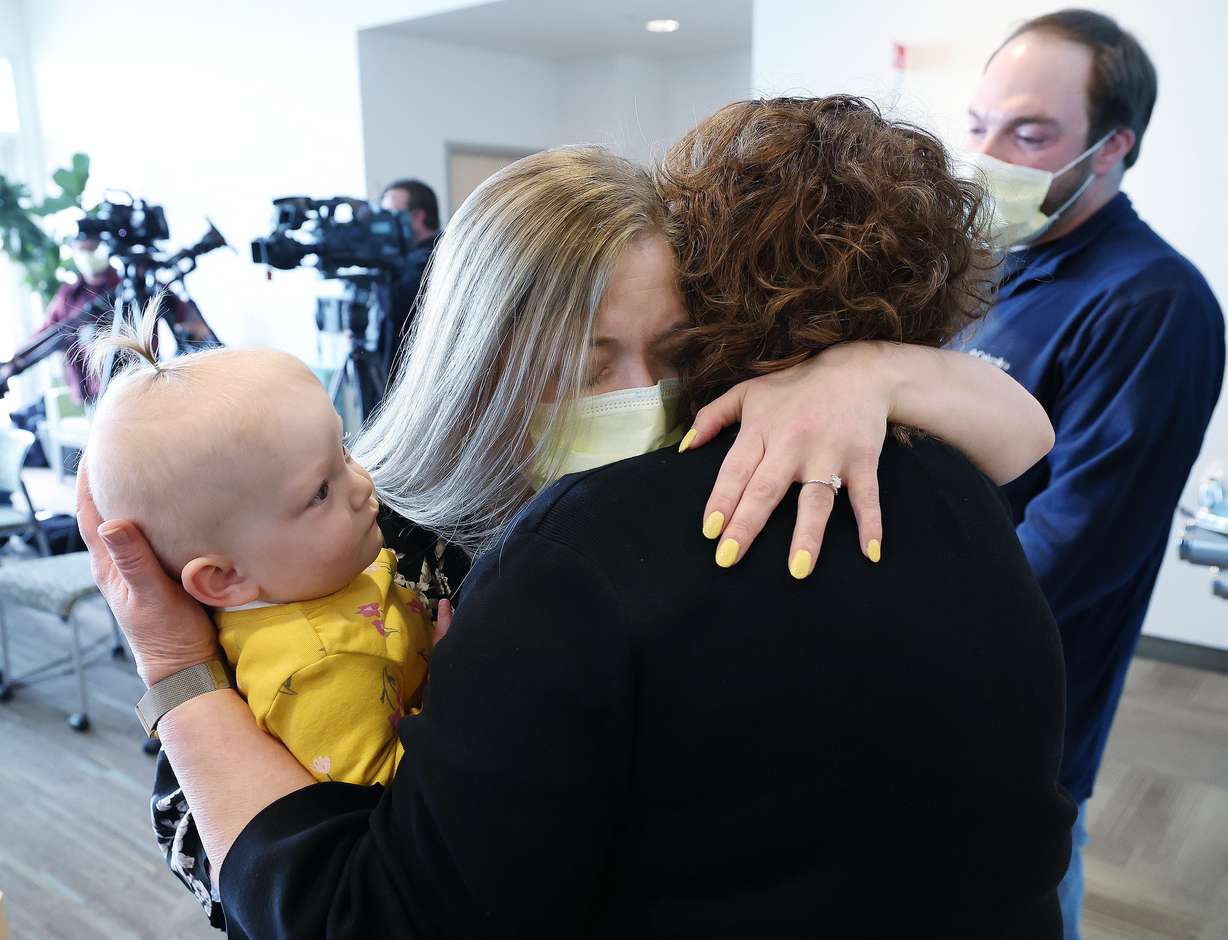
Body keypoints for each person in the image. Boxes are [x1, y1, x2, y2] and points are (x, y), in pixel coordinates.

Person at [83, 99, 1071, 936]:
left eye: (673, 349)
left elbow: (1024, 439)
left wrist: (867, 371)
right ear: (486, 353)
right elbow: (207, 828)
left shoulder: (708, 480)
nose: (638, 390)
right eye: (586, 358)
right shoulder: (341, 524)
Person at [961, 12, 1225, 936]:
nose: (992, 154)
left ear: (1113, 146)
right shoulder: (993, 270)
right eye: (980, 124)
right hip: (919, 688)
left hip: (1016, 716)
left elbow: (1068, 554)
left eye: (1031, 134)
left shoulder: (1152, 303)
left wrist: (886, 632)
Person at [84, 317, 435, 788]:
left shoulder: (313, 574)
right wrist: (454, 687)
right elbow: (396, 798)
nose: (362, 485)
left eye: (344, 452)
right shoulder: (320, 670)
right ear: (225, 578)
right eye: (319, 493)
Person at [31, 235, 119, 403]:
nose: (87, 255)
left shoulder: (128, 285)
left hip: (135, 384)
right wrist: (14, 362)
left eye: (92, 249)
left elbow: (183, 316)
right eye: (82, 250)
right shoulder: (68, 295)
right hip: (95, 396)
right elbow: (43, 335)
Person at [377, 178, 442, 371]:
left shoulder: (436, 258)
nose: (384, 224)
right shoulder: (401, 258)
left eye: (391, 215)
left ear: (417, 217)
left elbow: (396, 307)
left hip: (418, 373)